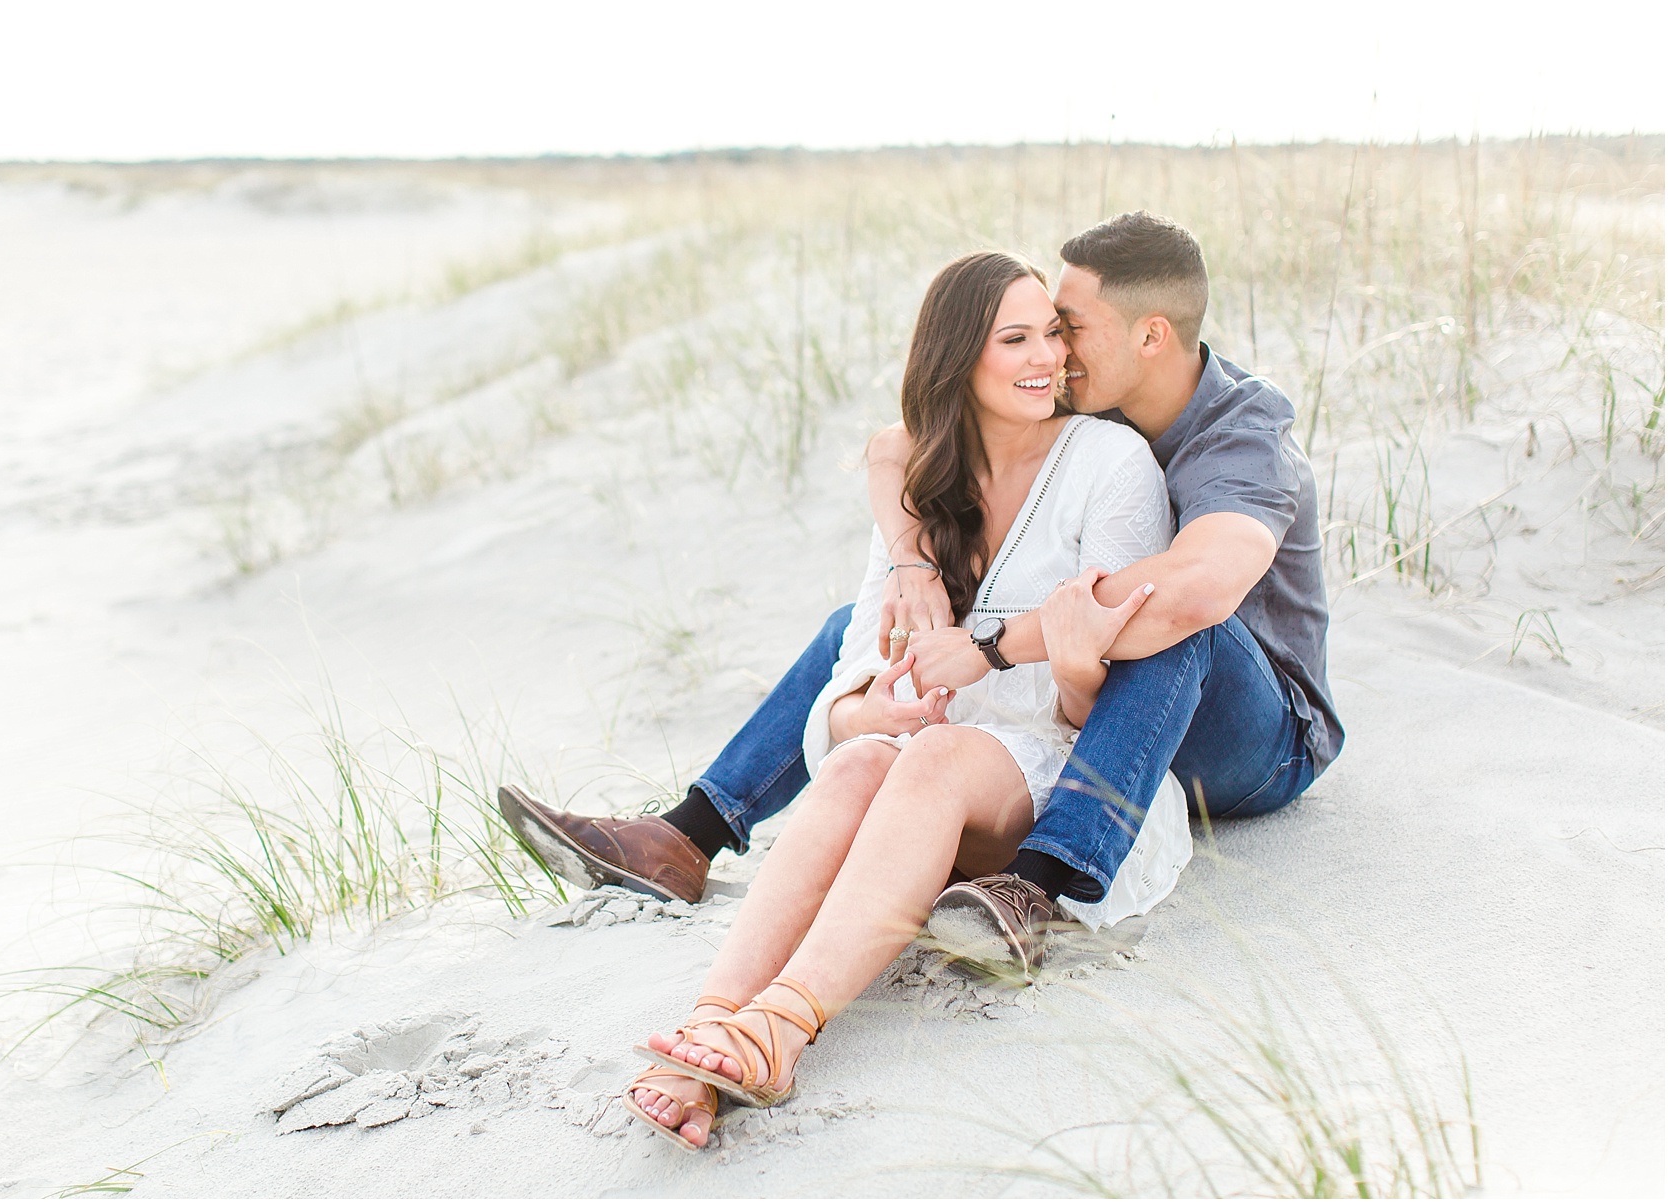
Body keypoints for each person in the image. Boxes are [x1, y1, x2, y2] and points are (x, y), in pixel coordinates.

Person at [499, 209, 1342, 982]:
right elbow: (899, 442)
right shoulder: (1101, 400)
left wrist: (990, 647)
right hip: (1123, 711)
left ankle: (1039, 888)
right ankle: (689, 833)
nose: (1056, 352)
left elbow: (1200, 588)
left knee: (1164, 620)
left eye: (1069, 328)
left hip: (1254, 736)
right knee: (854, 626)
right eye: (1040, 330)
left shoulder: (1241, 430)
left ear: (1151, 335)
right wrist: (909, 561)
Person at [607, 250, 1188, 1149]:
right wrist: (865, 715)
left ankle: (782, 1027)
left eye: (1053, 336)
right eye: (1017, 339)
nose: (1050, 360)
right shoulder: (921, 488)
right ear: (958, 358)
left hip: (1052, 786)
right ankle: (711, 1030)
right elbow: (844, 689)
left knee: (934, 757)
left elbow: (1113, 714)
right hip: (912, 789)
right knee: (860, 765)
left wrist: (1070, 668)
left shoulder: (1110, 466)